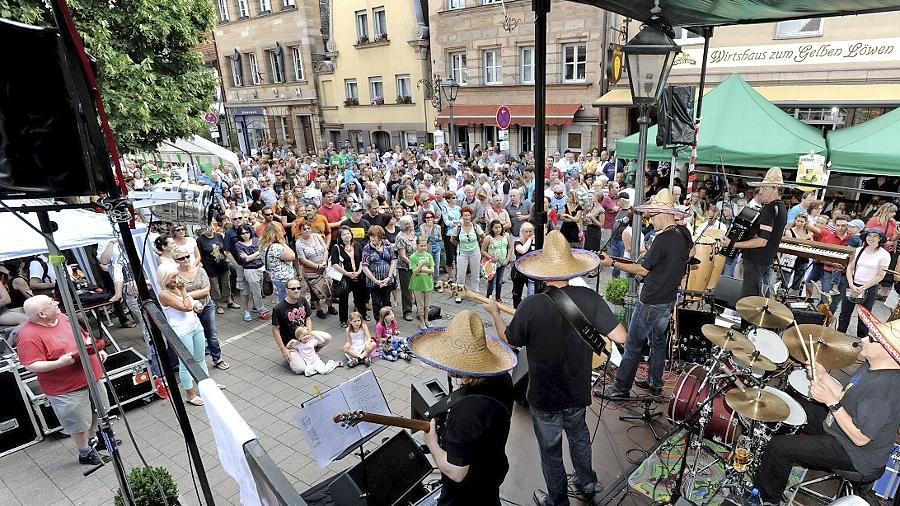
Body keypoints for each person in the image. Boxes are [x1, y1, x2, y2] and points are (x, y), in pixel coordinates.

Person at [484, 231, 627, 506]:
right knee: (580, 437)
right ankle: (586, 484)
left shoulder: (531, 305)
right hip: (577, 392)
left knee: (550, 451)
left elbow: (509, 340)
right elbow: (621, 337)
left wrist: (495, 314)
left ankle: (557, 500)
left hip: (545, 396)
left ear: (542, 270)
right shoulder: (589, 298)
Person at [753, 307, 900, 505]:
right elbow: (847, 392)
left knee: (779, 448)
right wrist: (823, 376)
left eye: (872, 339)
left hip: (856, 455)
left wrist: (830, 401)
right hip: (841, 425)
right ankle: (772, 467)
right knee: (786, 405)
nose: (863, 340)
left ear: (888, 353)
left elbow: (860, 438)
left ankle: (768, 500)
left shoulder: (883, 392)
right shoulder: (873, 365)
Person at [409, 310, 517, 506]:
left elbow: (456, 472)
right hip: (490, 475)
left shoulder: (467, 411)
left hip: (466, 495)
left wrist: (432, 442)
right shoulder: (503, 379)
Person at [601, 190, 693, 399]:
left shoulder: (663, 240)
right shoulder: (683, 232)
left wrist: (613, 262)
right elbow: (692, 254)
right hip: (668, 298)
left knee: (633, 344)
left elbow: (643, 269)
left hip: (651, 300)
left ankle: (620, 389)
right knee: (658, 341)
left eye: (653, 215)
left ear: (665, 214)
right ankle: (655, 381)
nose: (650, 220)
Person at [17, 295, 110, 465]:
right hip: (67, 388)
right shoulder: (28, 336)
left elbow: (84, 337)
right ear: (42, 314)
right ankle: (85, 452)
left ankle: (94, 439)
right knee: (78, 422)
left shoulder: (63, 317)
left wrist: (97, 349)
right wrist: (59, 363)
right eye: (52, 304)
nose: (57, 303)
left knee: (95, 410)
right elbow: (31, 365)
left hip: (91, 377)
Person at [720, 167, 788, 298]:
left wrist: (732, 244)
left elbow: (762, 241)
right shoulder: (781, 208)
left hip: (755, 259)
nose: (760, 192)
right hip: (763, 259)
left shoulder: (769, 209)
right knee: (755, 296)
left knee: (750, 299)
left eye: (764, 189)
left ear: (775, 190)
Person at [156, 263, 211, 406]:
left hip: (195, 325)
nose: (176, 279)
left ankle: (206, 388)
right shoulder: (164, 293)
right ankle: (191, 394)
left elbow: (190, 303)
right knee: (186, 364)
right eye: (172, 277)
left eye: (176, 275)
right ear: (164, 279)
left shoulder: (176, 288)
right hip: (182, 331)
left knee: (200, 359)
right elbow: (185, 307)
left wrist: (196, 305)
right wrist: (184, 290)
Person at [173, 245, 229, 371]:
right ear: (176, 261)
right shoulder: (175, 275)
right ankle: (193, 365)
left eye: (187, 256)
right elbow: (176, 294)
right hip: (188, 310)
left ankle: (217, 359)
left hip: (206, 305)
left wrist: (185, 294)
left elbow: (206, 291)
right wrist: (187, 296)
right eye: (181, 258)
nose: (186, 260)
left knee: (211, 334)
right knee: (192, 336)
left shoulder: (200, 270)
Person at [271, 278, 332, 371]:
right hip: (291, 342)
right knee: (299, 369)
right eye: (293, 289)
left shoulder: (302, 300)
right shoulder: (278, 309)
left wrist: (309, 333)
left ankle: (308, 352)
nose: (296, 290)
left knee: (327, 338)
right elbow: (275, 330)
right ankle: (299, 354)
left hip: (305, 336)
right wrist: (283, 349)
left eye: (298, 288)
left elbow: (308, 318)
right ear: (286, 290)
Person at [837, 229, 890, 337]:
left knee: (864, 316)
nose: (871, 238)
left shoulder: (884, 255)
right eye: (869, 235)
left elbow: (880, 275)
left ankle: (861, 341)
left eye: (875, 236)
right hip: (852, 285)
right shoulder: (859, 250)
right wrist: (851, 284)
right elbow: (850, 268)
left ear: (880, 238)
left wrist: (863, 287)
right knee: (844, 313)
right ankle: (839, 336)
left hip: (869, 288)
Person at [330, 226, 368, 327]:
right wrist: (347, 273)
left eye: (348, 233)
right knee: (343, 299)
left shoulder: (357, 245)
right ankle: (343, 319)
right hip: (345, 277)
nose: (347, 236)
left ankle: (363, 314)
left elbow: (361, 259)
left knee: (360, 297)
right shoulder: (336, 248)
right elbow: (335, 264)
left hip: (358, 275)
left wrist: (359, 271)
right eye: (344, 234)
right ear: (340, 237)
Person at [361, 225, 398, 319]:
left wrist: (389, 277)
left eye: (374, 236)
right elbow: (364, 266)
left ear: (380, 236)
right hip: (373, 282)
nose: (372, 238)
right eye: (370, 236)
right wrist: (375, 281)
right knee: (376, 303)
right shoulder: (367, 248)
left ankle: (389, 321)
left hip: (387, 279)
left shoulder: (387, 244)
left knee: (386, 301)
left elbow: (393, 260)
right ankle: (379, 323)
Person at [234, 224, 269, 321]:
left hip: (261, 268)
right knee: (256, 291)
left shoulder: (256, 240)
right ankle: (261, 310)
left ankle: (257, 307)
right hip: (250, 270)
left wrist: (250, 256)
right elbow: (245, 260)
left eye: (247, 232)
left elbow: (262, 253)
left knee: (260, 290)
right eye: (242, 233)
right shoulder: (238, 244)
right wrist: (256, 254)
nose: (245, 235)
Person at [196, 224, 232, 314]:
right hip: (210, 267)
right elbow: (199, 254)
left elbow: (225, 248)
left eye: (211, 228)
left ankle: (230, 301)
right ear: (203, 230)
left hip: (223, 264)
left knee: (226, 284)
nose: (210, 230)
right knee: (215, 287)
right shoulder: (200, 240)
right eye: (207, 228)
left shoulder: (219, 236)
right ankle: (218, 305)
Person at [451, 207, 484, 302]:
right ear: (462, 216)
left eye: (468, 215)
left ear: (471, 216)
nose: (466, 217)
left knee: (475, 273)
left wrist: (479, 245)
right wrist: (459, 246)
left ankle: (475, 292)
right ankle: (459, 293)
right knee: (460, 275)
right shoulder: (458, 228)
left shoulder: (476, 227)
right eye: (465, 215)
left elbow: (483, 237)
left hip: (475, 252)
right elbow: (452, 239)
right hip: (462, 253)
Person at [259, 223, 297, 304]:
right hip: (283, 277)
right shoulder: (276, 247)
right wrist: (283, 243)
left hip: (273, 276)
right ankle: (285, 315)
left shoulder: (262, 245)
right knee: (286, 300)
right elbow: (292, 256)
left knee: (279, 297)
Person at [481, 219, 512, 302]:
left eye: (499, 227)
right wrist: (491, 257)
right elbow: (483, 250)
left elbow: (510, 247)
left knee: (499, 281)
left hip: (503, 262)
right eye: (496, 228)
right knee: (492, 281)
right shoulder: (488, 238)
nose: (498, 229)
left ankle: (498, 297)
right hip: (493, 263)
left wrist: (507, 259)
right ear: (492, 228)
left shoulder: (506, 236)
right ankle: (488, 297)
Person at [409, 236, 436, 330]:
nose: (424, 247)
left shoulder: (429, 255)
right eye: (421, 245)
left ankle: (427, 320)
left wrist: (421, 270)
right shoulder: (413, 257)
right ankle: (422, 322)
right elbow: (414, 272)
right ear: (417, 245)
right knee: (420, 306)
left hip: (428, 283)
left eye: (425, 246)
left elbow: (432, 270)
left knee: (427, 305)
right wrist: (422, 265)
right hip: (417, 285)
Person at [395, 215, 418, 321]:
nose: (413, 224)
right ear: (406, 225)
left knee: (418, 287)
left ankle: (420, 308)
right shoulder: (400, 237)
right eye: (411, 223)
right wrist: (413, 264)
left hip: (416, 264)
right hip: (405, 267)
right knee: (407, 290)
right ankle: (407, 311)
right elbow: (402, 256)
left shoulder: (412, 233)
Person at [511, 222, 537, 308]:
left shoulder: (535, 241)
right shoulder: (517, 242)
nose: (528, 233)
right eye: (526, 231)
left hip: (530, 271)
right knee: (517, 292)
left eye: (530, 231)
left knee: (532, 292)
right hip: (518, 272)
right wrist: (529, 240)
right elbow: (522, 250)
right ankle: (516, 309)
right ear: (522, 232)